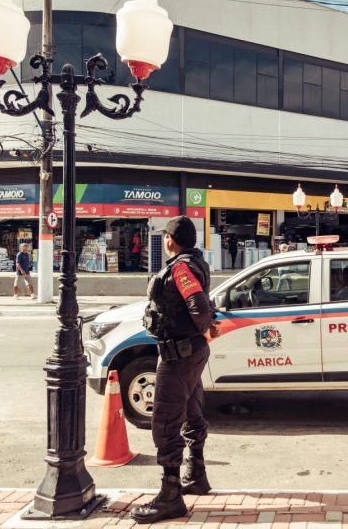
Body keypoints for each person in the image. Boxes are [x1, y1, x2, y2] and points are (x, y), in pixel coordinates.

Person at [131, 216, 220, 524]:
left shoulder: (181, 268)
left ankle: (171, 496)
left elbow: (197, 305)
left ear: (170, 239)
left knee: (166, 420)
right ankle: (196, 474)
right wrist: (203, 331)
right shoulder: (195, 263)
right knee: (192, 411)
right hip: (192, 352)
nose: (165, 239)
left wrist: (202, 327)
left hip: (178, 354)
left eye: (166, 235)